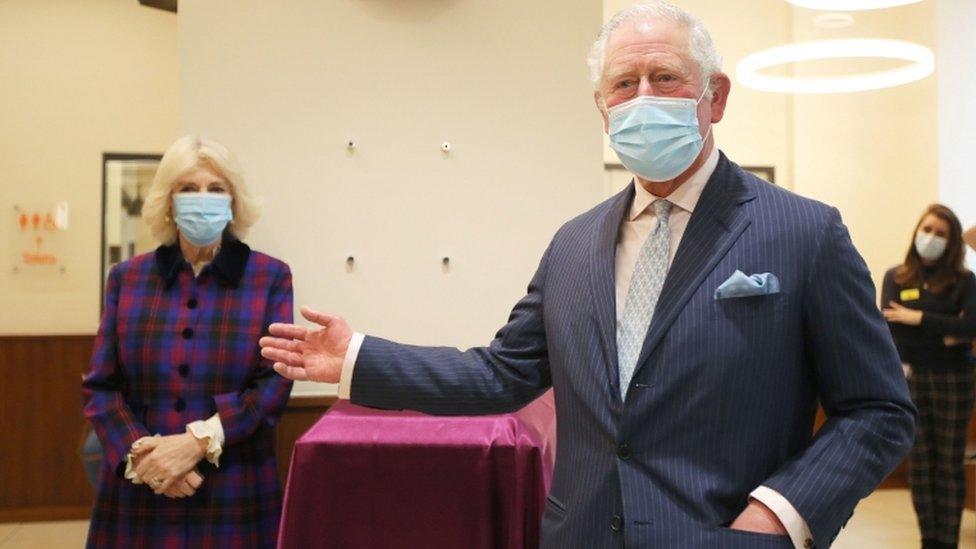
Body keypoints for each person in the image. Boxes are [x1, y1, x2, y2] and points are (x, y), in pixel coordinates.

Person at [261, 3, 915, 547]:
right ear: (603, 108)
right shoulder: (575, 243)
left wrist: (777, 513)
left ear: (714, 96)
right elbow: (502, 372)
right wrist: (356, 357)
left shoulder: (805, 232)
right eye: (624, 85)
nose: (643, 98)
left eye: (665, 77)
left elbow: (879, 411)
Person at [82, 135, 294, 548]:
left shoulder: (270, 277)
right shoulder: (127, 278)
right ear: (168, 201)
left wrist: (198, 442)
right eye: (189, 188)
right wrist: (146, 460)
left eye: (217, 189)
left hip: (232, 485)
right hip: (140, 488)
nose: (203, 199)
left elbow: (275, 382)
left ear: (234, 203)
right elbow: (101, 386)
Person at [882, 204, 976, 549]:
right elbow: (894, 328)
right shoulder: (896, 276)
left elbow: (971, 327)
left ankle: (947, 542)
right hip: (911, 378)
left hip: (955, 379)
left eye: (940, 233)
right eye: (928, 229)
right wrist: (946, 329)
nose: (931, 238)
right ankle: (929, 540)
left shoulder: (964, 281)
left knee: (948, 464)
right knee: (920, 464)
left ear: (951, 241)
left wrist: (918, 318)